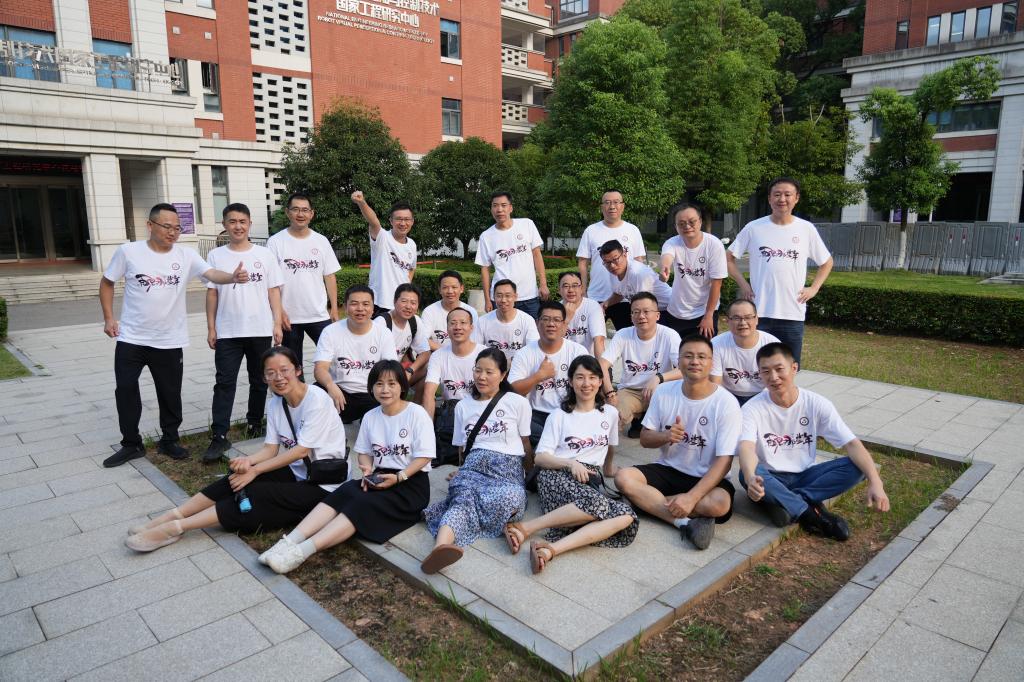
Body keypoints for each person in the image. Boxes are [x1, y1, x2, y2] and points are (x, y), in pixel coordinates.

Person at [125, 346, 347, 551]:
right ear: (264, 378)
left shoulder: (317, 400)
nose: (278, 377)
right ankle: (172, 516)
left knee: (256, 493)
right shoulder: (276, 403)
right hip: (299, 472)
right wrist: (247, 462)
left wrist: (256, 470)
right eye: (271, 373)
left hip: (324, 484)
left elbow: (300, 451)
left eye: (284, 370)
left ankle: (176, 528)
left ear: (297, 370)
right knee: (237, 478)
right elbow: (270, 450)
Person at [99, 203, 251, 468]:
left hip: (169, 340)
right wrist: (109, 318)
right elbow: (107, 282)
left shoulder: (186, 255)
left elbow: (211, 273)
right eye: (167, 226)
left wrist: (232, 277)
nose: (172, 232)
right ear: (150, 225)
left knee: (170, 393)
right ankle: (131, 443)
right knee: (125, 389)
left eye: (177, 228)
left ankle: (169, 440)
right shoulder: (128, 251)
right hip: (131, 338)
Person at [258, 359, 434, 574]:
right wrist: (367, 469)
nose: (385, 390)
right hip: (380, 477)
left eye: (391, 384)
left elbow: (425, 456)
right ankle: (287, 542)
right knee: (344, 491)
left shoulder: (416, 413)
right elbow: (364, 452)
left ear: (402, 387)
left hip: (410, 484)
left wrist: (399, 477)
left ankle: (300, 552)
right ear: (371, 388)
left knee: (360, 504)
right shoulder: (370, 416)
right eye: (379, 384)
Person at [738, 342, 890, 540]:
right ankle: (810, 515)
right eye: (766, 371)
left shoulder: (816, 403)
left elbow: (851, 443)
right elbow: (746, 447)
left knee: (858, 467)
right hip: (770, 475)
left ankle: (787, 501)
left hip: (807, 475)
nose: (773, 377)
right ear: (759, 374)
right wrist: (750, 477)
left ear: (794, 368)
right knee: (747, 472)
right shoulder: (752, 409)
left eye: (779, 369)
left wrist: (876, 482)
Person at [504, 355, 637, 573]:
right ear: (571, 382)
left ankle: (550, 550)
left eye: (592, 378)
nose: (587, 383)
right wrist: (570, 464)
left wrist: (608, 469)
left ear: (600, 381)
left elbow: (610, 446)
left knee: (626, 515)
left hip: (590, 477)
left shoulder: (610, 414)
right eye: (580, 377)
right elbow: (540, 458)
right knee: (598, 506)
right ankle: (526, 528)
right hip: (556, 473)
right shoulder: (559, 415)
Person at [615, 335, 741, 550]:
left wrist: (691, 497)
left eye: (702, 357)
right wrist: (666, 436)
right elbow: (645, 439)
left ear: (711, 363)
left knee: (719, 504)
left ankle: (642, 503)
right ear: (679, 361)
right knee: (623, 477)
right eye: (688, 356)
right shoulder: (664, 392)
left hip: (707, 476)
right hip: (670, 469)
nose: (695, 361)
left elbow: (725, 461)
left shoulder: (726, 402)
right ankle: (684, 522)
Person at [422, 348, 532, 574]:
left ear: (503, 375)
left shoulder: (517, 402)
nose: (481, 377)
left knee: (513, 497)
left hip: (507, 469)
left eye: (489, 372)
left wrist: (529, 474)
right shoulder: (463, 406)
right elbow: (462, 447)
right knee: (463, 496)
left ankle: (500, 524)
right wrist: (462, 470)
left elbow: (525, 442)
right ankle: (440, 548)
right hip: (474, 465)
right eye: (478, 370)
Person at [203, 203, 284, 463]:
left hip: (259, 328)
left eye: (242, 221)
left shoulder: (265, 254)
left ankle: (254, 423)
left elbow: (273, 291)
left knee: (259, 380)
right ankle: (219, 434)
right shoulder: (216, 255)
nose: (238, 226)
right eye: (232, 221)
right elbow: (212, 293)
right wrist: (211, 327)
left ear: (249, 224)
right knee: (224, 382)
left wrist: (277, 323)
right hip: (228, 330)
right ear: (224, 225)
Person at [726, 177, 833, 364]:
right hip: (759, 313)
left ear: (796, 198)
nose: (782, 199)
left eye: (787, 194)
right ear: (769, 198)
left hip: (792, 312)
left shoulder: (806, 229)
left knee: (789, 366)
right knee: (757, 366)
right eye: (777, 194)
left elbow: (826, 262)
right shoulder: (754, 228)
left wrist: (814, 288)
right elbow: (728, 258)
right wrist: (744, 285)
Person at [268, 193, 341, 367]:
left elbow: (329, 276)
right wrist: (279, 313)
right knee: (293, 366)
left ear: (311, 213)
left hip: (319, 314)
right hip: (289, 317)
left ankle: (326, 386)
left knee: (334, 359)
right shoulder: (275, 242)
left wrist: (334, 308)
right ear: (287, 212)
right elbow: (271, 283)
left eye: (305, 210)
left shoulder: (321, 241)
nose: (300, 214)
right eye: (295, 209)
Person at [599, 292, 682, 437]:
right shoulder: (623, 334)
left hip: (659, 389)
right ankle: (638, 418)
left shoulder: (669, 335)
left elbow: (684, 370)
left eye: (646, 311)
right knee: (611, 417)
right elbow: (602, 364)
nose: (641, 316)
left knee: (668, 426)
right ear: (631, 317)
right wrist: (610, 394)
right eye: (636, 312)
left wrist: (658, 378)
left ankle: (647, 419)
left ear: (657, 315)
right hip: (630, 390)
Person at [313, 285, 397, 426]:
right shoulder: (330, 332)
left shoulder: (383, 333)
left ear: (373, 308)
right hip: (340, 393)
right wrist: (330, 386)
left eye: (366, 304)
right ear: (345, 307)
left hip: (372, 394)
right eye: (354, 303)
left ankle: (371, 419)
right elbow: (320, 368)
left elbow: (391, 369)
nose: (360, 309)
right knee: (315, 392)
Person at [509, 300, 588, 448]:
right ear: (537, 323)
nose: (551, 324)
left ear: (564, 325)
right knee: (515, 423)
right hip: (535, 416)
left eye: (557, 320)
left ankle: (550, 446)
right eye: (546, 319)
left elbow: (589, 387)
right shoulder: (524, 354)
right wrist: (539, 376)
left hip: (568, 412)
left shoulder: (578, 352)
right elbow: (512, 390)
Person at [422, 308, 488, 465]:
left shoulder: (485, 353)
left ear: (471, 327)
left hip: (479, 407)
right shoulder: (438, 356)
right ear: (447, 328)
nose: (458, 327)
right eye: (453, 323)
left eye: (463, 323)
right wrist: (427, 430)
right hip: (452, 410)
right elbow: (429, 393)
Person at [576, 190, 646, 326]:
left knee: (629, 335)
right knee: (591, 335)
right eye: (607, 203)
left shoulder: (633, 230)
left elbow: (639, 262)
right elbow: (583, 262)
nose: (612, 206)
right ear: (602, 207)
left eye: (616, 202)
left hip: (625, 298)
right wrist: (583, 290)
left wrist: (639, 292)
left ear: (622, 206)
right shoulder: (591, 230)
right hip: (596, 296)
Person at [659, 205, 727, 339]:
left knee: (702, 350)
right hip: (676, 311)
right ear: (676, 226)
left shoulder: (714, 245)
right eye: (681, 223)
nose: (687, 226)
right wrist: (664, 267)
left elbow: (717, 283)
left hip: (704, 312)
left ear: (700, 221)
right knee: (676, 351)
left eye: (692, 221)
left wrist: (708, 315)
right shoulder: (672, 242)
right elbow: (667, 256)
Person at [476, 191, 548, 318]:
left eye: (503, 205)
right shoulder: (486, 236)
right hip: (502, 299)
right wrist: (487, 299)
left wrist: (543, 284)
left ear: (510, 208)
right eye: (495, 205)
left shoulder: (527, 224)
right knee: (501, 330)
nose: (499, 209)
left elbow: (537, 255)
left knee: (533, 329)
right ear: (491, 209)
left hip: (529, 296)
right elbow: (485, 269)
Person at [352, 190, 416, 315]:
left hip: (402, 304)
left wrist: (407, 285)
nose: (403, 223)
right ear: (391, 221)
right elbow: (373, 221)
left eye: (407, 219)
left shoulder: (412, 244)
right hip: (379, 303)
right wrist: (362, 203)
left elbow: (412, 268)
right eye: (399, 219)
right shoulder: (382, 237)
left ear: (412, 221)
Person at [710, 299, 779, 406]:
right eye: (736, 318)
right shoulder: (716, 344)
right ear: (728, 321)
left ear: (756, 319)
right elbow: (715, 384)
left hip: (764, 396)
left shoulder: (772, 344)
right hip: (728, 395)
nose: (743, 323)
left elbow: (777, 381)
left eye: (748, 317)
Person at [599, 240, 671, 329]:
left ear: (624, 254)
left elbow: (644, 304)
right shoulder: (614, 272)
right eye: (607, 262)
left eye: (615, 259)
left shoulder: (637, 273)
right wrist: (604, 304)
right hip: (650, 310)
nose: (612, 265)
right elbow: (619, 293)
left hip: (666, 310)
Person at [372, 282, 432, 389]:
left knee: (429, 368)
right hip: (378, 373)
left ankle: (416, 401)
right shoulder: (381, 323)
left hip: (398, 371)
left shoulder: (415, 321)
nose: (408, 306)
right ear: (394, 301)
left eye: (413, 303)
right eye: (404, 301)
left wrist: (410, 370)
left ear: (418, 306)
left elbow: (425, 352)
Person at [475, 279, 540, 362]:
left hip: (519, 365)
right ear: (493, 297)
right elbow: (475, 349)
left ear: (515, 297)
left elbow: (533, 350)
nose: (503, 300)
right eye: (499, 296)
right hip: (491, 366)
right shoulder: (482, 321)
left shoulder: (527, 320)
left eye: (508, 295)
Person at [420, 270, 479, 350]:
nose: (450, 291)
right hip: (438, 353)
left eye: (454, 287)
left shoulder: (471, 311)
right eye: (445, 287)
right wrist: (445, 353)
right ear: (440, 290)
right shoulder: (429, 311)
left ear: (461, 288)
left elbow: (475, 339)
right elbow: (423, 339)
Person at [558, 271, 606, 357]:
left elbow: (599, 340)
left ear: (581, 288)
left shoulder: (592, 306)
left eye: (575, 285)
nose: (571, 290)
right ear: (559, 290)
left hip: (587, 359)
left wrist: (601, 364)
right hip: (563, 358)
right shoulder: (555, 310)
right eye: (566, 286)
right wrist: (566, 319)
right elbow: (553, 342)